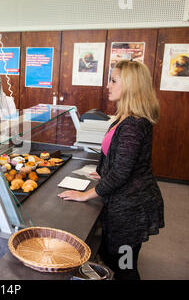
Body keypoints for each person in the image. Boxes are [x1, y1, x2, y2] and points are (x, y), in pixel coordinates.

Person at [58, 60, 164, 280]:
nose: (108, 86)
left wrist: (86, 195)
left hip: (132, 208)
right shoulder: (124, 118)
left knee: (125, 266)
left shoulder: (134, 125)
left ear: (130, 85)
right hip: (125, 201)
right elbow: (120, 159)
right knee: (109, 254)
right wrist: (104, 169)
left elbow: (121, 173)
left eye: (114, 80)